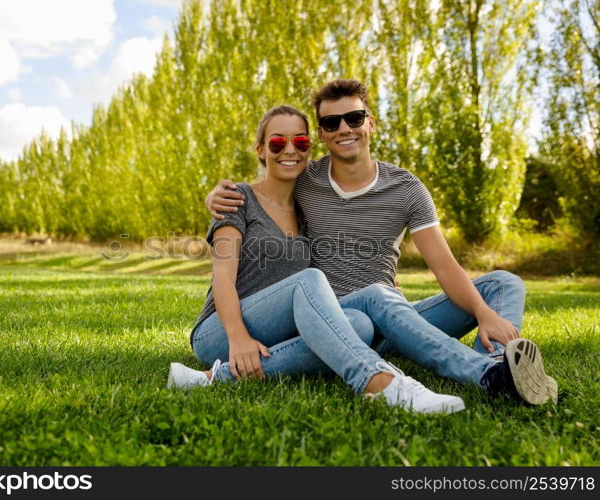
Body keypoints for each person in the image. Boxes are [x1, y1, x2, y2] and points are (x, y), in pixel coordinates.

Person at [206, 80, 557, 406]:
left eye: (354, 118)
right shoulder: (305, 179)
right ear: (324, 137)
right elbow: (265, 188)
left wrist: (483, 312)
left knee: (503, 283)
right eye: (331, 123)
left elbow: (445, 266)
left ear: (370, 123)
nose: (344, 128)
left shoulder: (407, 189)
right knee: (374, 299)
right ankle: (489, 376)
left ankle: (500, 366)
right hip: (341, 318)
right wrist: (219, 196)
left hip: (395, 315)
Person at [168, 105, 466, 414]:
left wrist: (390, 282)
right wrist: (238, 336)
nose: (289, 150)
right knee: (309, 280)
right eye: (277, 142)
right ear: (261, 150)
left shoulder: (306, 211)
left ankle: (215, 378)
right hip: (221, 332)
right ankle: (380, 382)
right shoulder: (237, 199)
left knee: (359, 326)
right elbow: (222, 278)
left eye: (300, 142)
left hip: (278, 333)